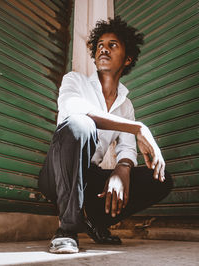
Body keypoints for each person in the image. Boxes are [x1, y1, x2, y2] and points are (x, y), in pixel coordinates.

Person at [38, 16, 173, 254]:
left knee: (160, 178)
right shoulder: (75, 81)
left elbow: (128, 149)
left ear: (127, 58)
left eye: (112, 45)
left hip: (88, 178)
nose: (103, 48)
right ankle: (67, 230)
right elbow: (77, 113)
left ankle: (97, 220)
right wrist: (138, 127)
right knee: (82, 124)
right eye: (100, 44)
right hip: (57, 173)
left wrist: (122, 169)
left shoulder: (126, 104)